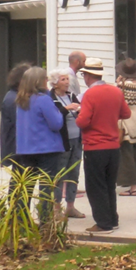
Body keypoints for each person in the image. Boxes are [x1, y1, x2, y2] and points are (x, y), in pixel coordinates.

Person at [75, 58, 132, 233]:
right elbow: (126, 113)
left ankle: (103, 223)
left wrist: (76, 114)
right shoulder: (115, 91)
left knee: (96, 186)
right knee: (109, 185)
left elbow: (83, 122)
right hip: (113, 145)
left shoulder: (90, 95)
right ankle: (112, 218)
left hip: (95, 146)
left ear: (87, 76)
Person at [14, 67, 66, 221]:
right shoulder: (43, 99)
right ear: (39, 82)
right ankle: (45, 222)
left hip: (26, 149)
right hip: (47, 149)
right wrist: (59, 113)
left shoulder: (21, 100)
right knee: (46, 188)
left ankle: (22, 222)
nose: (47, 82)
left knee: (26, 188)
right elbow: (56, 124)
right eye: (45, 79)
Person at [48, 68, 84, 218]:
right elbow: (52, 117)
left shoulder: (72, 96)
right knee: (59, 174)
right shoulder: (50, 98)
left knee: (73, 173)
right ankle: (56, 208)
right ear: (55, 83)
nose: (67, 82)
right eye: (63, 80)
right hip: (62, 141)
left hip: (77, 139)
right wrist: (66, 109)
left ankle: (71, 206)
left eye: (67, 79)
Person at [115, 59, 136, 197]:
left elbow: (117, 100)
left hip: (127, 125)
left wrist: (118, 82)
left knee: (128, 158)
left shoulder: (123, 86)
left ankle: (133, 188)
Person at [0, 62, 32, 170]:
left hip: (19, 148)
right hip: (19, 149)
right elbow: (22, 124)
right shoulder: (15, 99)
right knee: (20, 181)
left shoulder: (14, 96)